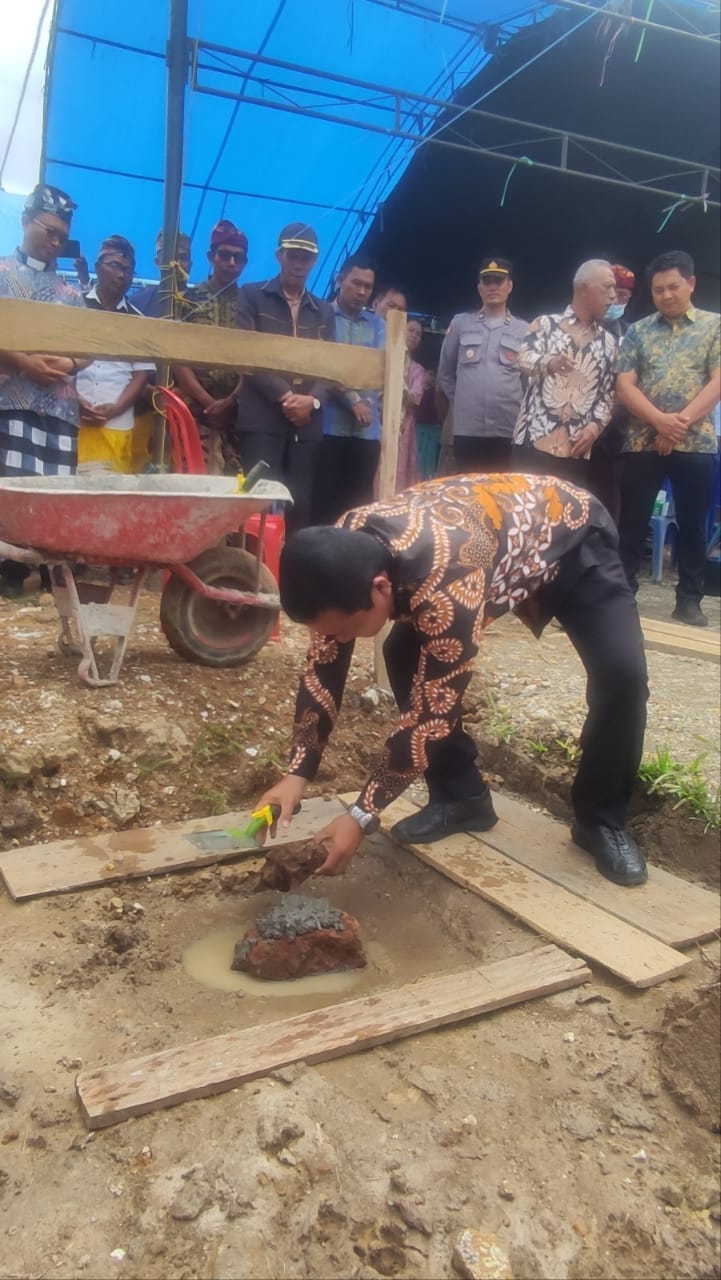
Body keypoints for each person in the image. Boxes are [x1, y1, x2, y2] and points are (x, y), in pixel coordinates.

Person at [254, 474, 650, 888]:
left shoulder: (448, 574)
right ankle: (461, 796)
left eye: (345, 629)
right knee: (403, 653)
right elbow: (323, 666)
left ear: (380, 586)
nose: (339, 641)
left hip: (569, 538)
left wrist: (360, 814)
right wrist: (296, 774)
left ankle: (601, 820)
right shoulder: (343, 549)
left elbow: (432, 711)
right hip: (487, 544)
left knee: (622, 675)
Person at [616, 250, 720, 627]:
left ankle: (689, 600)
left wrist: (679, 424)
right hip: (643, 442)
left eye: (674, 286)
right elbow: (625, 385)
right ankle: (621, 596)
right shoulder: (638, 331)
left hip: (696, 444)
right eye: (658, 289)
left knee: (694, 524)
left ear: (691, 284)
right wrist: (659, 421)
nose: (666, 295)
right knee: (631, 521)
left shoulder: (714, 326)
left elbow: (718, 381)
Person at [0, 184, 87, 597]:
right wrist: (23, 361)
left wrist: (68, 363)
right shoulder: (1, 274)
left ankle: (56, 574)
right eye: (47, 231)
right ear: (24, 221)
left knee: (54, 492)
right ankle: (10, 573)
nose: (54, 242)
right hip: (10, 400)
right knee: (13, 486)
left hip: (58, 407)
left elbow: (91, 347)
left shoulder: (71, 293)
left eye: (60, 236)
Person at [234, 222, 335, 534]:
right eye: (293, 255)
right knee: (259, 501)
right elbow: (246, 353)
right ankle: (253, 573)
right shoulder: (251, 295)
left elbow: (331, 366)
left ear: (314, 261)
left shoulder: (323, 311)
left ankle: (292, 576)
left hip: (306, 423)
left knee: (300, 504)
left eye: (305, 257)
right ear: (279, 255)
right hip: (262, 418)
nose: (298, 263)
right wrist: (285, 397)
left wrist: (313, 400)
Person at [512, 259, 618, 487]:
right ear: (584, 288)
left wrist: (594, 428)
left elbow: (609, 395)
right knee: (525, 519)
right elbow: (523, 359)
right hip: (532, 446)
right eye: (607, 287)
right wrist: (550, 362)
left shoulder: (610, 343)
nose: (613, 296)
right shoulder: (545, 325)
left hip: (575, 453)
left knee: (567, 521)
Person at [437, 257, 528, 473]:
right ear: (479, 287)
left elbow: (527, 379)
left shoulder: (524, 330)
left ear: (510, 286)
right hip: (468, 429)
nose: (493, 286)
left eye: (499, 280)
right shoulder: (461, 324)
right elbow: (446, 373)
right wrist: (462, 401)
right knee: (470, 494)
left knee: (502, 494)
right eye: (487, 281)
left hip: (507, 427)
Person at [314, 255, 385, 523]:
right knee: (323, 504)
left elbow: (380, 373)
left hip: (367, 435)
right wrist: (353, 400)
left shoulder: (380, 326)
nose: (362, 291)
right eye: (356, 283)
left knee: (358, 508)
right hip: (328, 429)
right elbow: (324, 367)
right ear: (339, 279)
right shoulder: (321, 316)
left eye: (368, 286)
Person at [173, 220, 248, 473]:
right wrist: (206, 400)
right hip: (194, 410)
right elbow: (177, 356)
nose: (231, 263)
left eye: (238, 258)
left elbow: (255, 361)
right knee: (193, 483)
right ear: (210, 256)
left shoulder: (249, 303)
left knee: (235, 491)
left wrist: (232, 400)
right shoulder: (188, 299)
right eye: (224, 255)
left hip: (236, 415)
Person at [76, 236, 154, 474]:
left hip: (118, 425)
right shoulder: (74, 307)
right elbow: (59, 364)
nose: (121, 275)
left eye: (128, 269)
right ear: (98, 268)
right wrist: (75, 401)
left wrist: (117, 408)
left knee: (109, 499)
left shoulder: (138, 321)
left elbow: (141, 376)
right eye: (115, 266)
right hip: (73, 419)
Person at [588, 263, 636, 522]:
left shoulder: (631, 333)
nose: (617, 301)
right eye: (614, 294)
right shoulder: (585, 325)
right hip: (579, 430)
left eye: (624, 297)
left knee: (610, 499)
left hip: (616, 432)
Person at [132, 229, 192, 317]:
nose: (176, 264)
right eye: (170, 257)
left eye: (183, 257)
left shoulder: (203, 303)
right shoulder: (140, 301)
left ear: (190, 264)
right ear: (157, 262)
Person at [396, 318, 425, 491]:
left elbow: (416, 397)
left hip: (403, 427)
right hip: (378, 422)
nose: (414, 336)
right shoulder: (383, 359)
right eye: (411, 330)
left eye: (418, 334)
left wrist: (397, 388)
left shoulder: (417, 369)